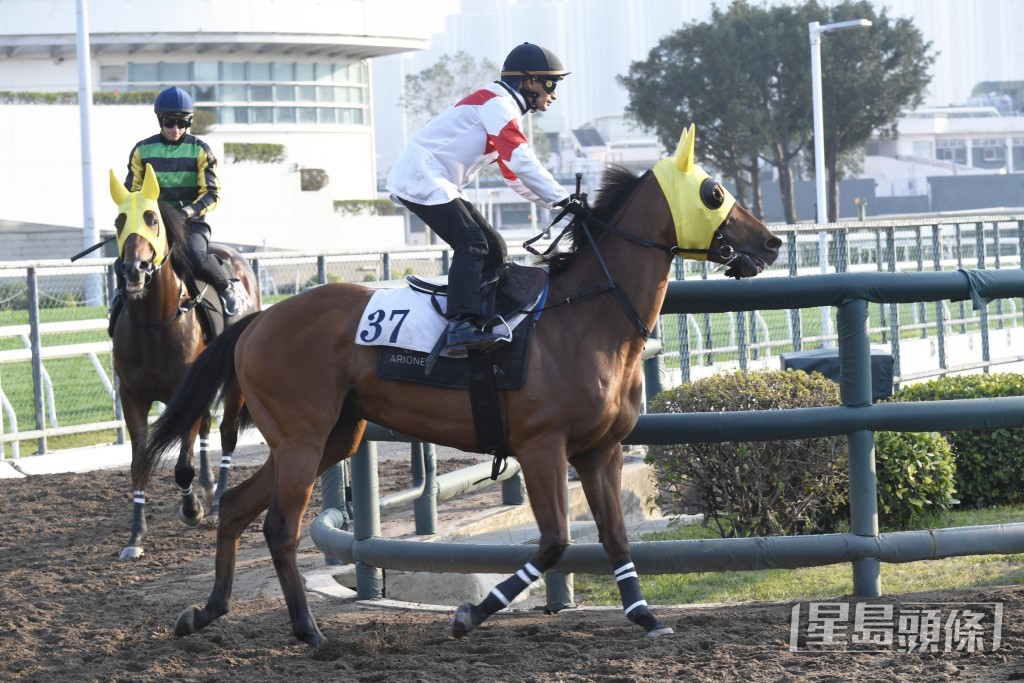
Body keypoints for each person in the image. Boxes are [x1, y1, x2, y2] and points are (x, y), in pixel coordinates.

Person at [386, 42, 571, 356]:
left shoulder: (504, 107)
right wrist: (566, 200)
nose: (554, 93)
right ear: (530, 83)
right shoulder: (498, 105)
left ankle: (481, 316)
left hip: (438, 178)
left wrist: (560, 206)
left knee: (494, 246)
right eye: (551, 83)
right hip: (421, 174)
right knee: (472, 241)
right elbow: (521, 161)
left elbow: (514, 177)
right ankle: (460, 324)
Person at [111, 86, 239, 322]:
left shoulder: (200, 150)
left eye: (183, 123)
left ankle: (227, 288)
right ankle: (119, 301)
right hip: (152, 226)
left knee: (195, 256)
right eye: (170, 122)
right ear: (160, 120)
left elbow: (212, 194)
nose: (176, 129)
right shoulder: (142, 150)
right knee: (124, 261)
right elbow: (133, 193)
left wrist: (186, 212)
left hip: (189, 224)